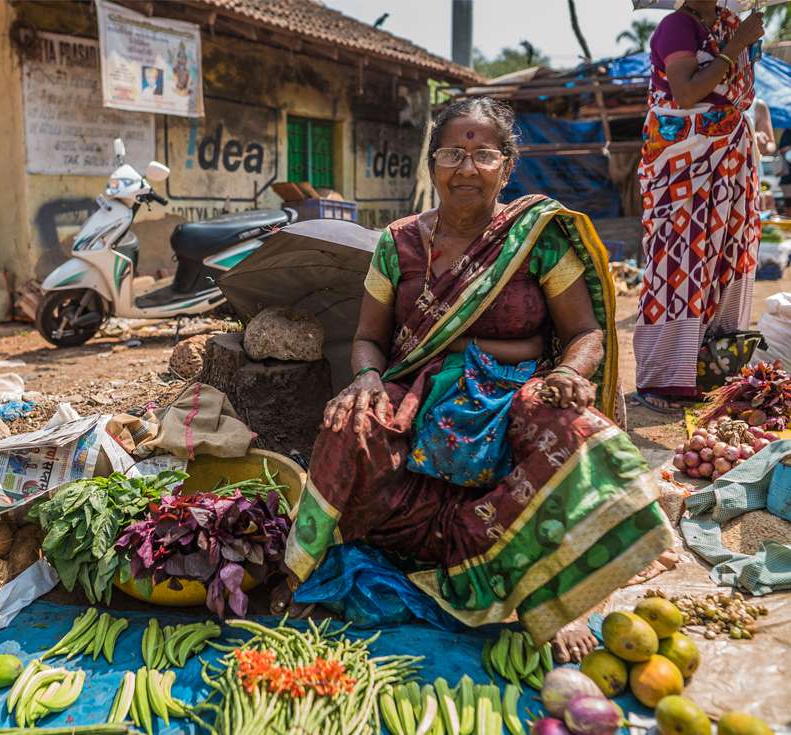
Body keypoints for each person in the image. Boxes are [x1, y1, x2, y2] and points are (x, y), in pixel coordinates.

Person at [274, 98, 673, 664]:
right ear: (432, 165)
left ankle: (550, 592)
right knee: (352, 421)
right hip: (417, 389)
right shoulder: (397, 243)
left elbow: (585, 333)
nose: (466, 168)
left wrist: (567, 372)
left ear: (507, 167)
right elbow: (369, 337)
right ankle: (305, 571)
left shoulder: (536, 237)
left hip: (512, 394)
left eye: (483, 154)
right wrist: (364, 376)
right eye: (452, 154)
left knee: (575, 430)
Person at [633, 0, 766, 412]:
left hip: (730, 162)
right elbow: (686, 93)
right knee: (680, 260)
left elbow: (737, 94)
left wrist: (744, 43)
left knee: (726, 256)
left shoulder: (729, 26)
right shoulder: (677, 25)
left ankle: (712, 365)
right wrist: (738, 45)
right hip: (684, 162)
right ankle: (664, 380)